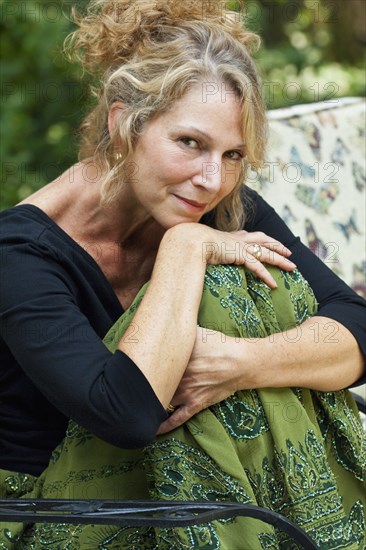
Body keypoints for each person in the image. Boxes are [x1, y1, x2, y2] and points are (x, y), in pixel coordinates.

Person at [0, 0, 365, 548]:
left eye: (234, 154)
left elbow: (357, 325)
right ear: (124, 123)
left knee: (249, 282)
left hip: (171, 495)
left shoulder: (221, 203)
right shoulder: (18, 253)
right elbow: (124, 414)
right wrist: (185, 247)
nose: (212, 179)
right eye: (189, 143)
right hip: (47, 510)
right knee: (218, 280)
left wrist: (239, 363)